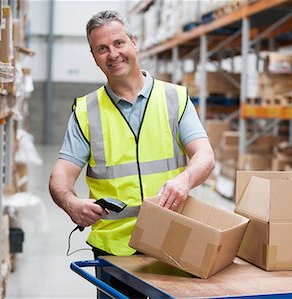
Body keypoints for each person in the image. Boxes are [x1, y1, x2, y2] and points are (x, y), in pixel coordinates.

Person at [48, 9, 215, 298]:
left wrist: (184, 181)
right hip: (114, 251)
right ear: (94, 56)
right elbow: (60, 176)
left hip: (171, 240)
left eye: (118, 43)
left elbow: (204, 155)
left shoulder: (174, 98)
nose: (113, 54)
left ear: (134, 43)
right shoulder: (86, 111)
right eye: (102, 49)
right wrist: (70, 202)